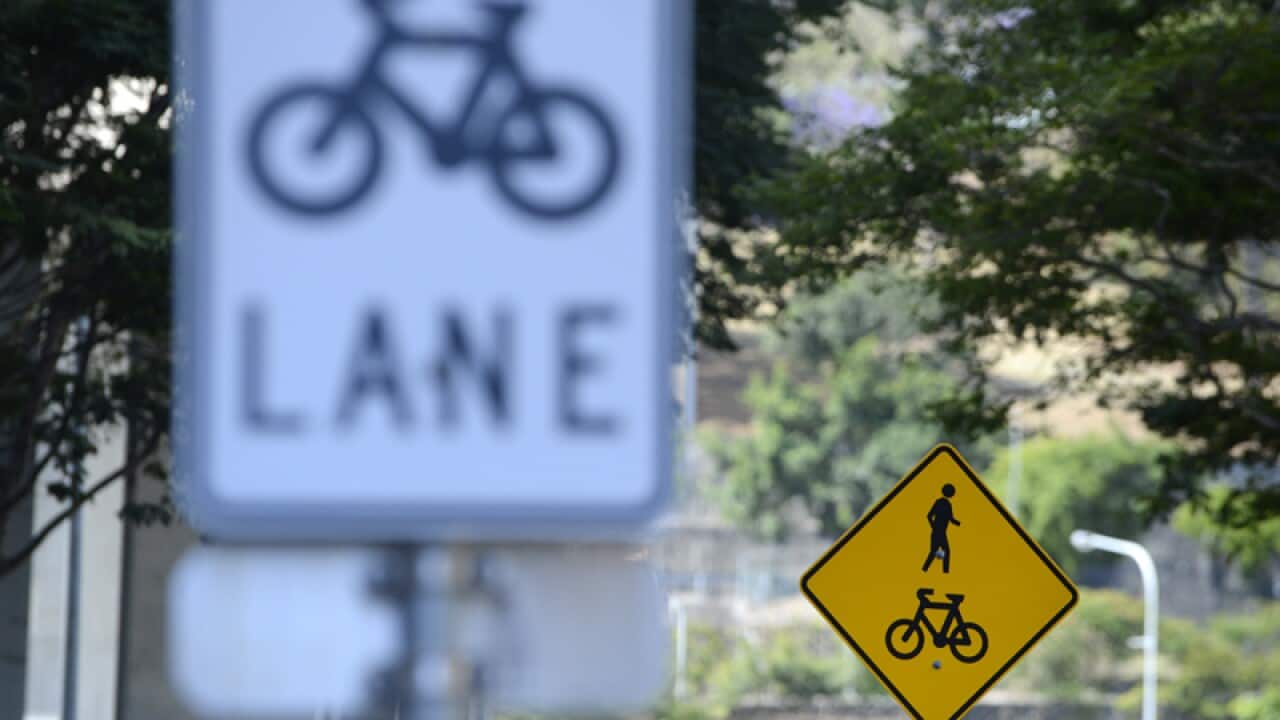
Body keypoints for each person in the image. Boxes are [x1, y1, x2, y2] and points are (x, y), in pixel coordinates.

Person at [922, 483, 960, 573]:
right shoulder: (940, 502)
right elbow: (929, 516)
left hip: (941, 532)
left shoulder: (947, 504)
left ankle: (925, 570)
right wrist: (934, 527)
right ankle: (943, 572)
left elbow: (951, 518)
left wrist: (959, 523)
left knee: (935, 551)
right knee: (941, 551)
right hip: (938, 532)